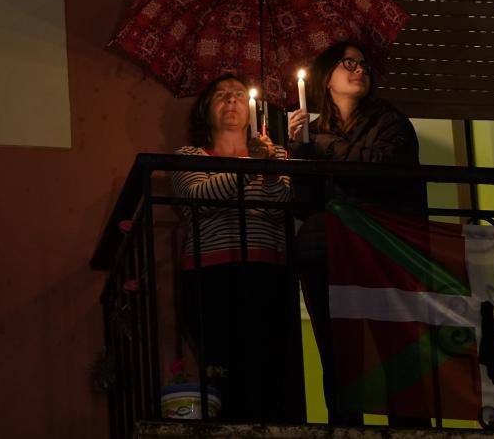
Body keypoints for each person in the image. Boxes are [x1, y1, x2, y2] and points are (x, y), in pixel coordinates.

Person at [288, 42, 428, 426]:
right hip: (328, 251)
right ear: (326, 77)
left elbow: (381, 168)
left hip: (384, 248)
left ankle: (409, 432)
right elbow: (304, 202)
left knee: (398, 352)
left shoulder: (390, 121)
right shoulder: (311, 135)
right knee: (339, 357)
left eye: (364, 64)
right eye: (348, 63)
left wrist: (317, 147)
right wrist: (298, 152)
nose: (359, 69)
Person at [171, 73, 303, 423]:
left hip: (267, 270)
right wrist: (249, 169)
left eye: (239, 95)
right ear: (205, 110)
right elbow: (197, 197)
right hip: (212, 273)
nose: (231, 100)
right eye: (221, 95)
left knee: (266, 360)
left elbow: (282, 204)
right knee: (221, 362)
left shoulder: (275, 155)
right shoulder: (190, 156)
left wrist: (269, 169)